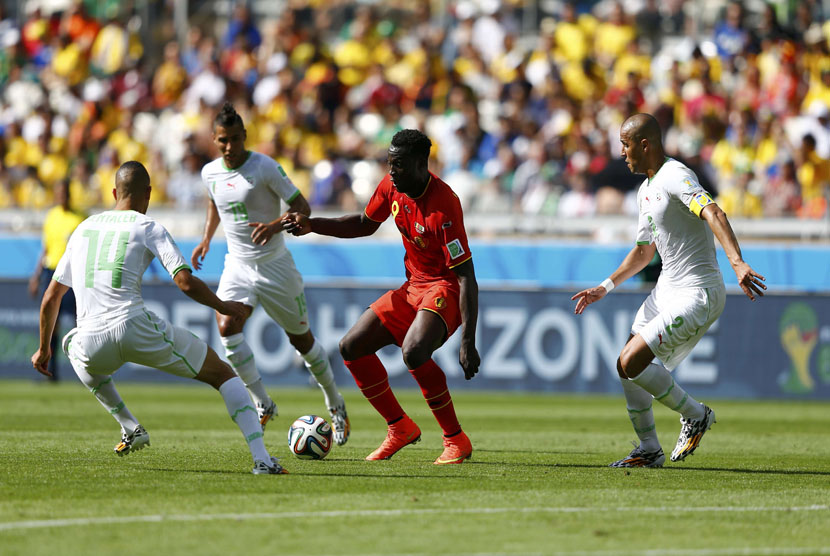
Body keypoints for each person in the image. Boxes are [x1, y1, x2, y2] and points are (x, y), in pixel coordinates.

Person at [31, 161, 287, 475]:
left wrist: (44, 349)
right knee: (224, 375)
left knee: (71, 344)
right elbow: (184, 281)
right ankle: (262, 459)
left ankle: (129, 425)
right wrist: (222, 305)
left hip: (91, 337)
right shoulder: (148, 226)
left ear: (114, 192)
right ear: (148, 193)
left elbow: (50, 298)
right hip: (134, 325)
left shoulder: (83, 228)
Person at [572, 113, 766, 468]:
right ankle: (649, 449)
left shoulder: (676, 176)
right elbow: (645, 250)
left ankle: (696, 415)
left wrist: (736, 262)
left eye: (625, 144)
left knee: (632, 361)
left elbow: (714, 213)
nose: (622, 152)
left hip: (698, 291)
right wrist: (606, 286)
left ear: (644, 144)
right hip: (667, 290)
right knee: (624, 365)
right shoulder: (645, 190)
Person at [282, 129, 481, 465]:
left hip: (445, 287)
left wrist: (467, 341)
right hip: (413, 286)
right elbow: (363, 223)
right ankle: (399, 427)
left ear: (421, 165)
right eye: (390, 163)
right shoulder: (392, 187)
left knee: (414, 351)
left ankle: (455, 439)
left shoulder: (444, 206)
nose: (391, 172)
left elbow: (466, 276)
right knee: (351, 346)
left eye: (399, 165)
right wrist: (313, 224)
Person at [191, 102, 349, 445]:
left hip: (275, 265)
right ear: (214, 140)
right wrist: (206, 239)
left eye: (234, 139)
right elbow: (213, 203)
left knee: (302, 342)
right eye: (222, 141)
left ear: (245, 137)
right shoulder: (210, 172)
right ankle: (262, 401)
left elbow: (302, 207)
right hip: (237, 264)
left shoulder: (264, 167)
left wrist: (275, 225)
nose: (228, 147)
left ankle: (335, 402)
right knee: (227, 326)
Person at [28, 179, 85, 381]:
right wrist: (36, 276)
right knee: (52, 325)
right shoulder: (51, 217)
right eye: (59, 192)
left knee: (82, 323)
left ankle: (87, 369)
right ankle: (52, 372)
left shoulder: (80, 218)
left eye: (64, 192)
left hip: (73, 274)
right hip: (51, 271)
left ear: (69, 194)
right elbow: (45, 249)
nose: (62, 196)